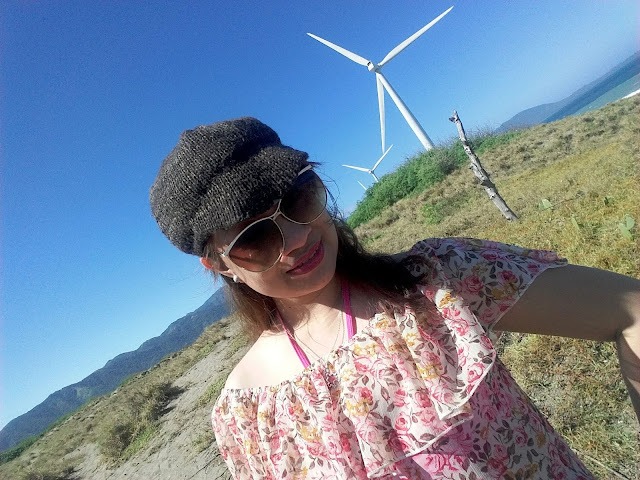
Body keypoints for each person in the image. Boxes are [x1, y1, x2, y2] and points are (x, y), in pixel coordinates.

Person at [150, 117, 639, 479]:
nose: (297, 238)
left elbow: (631, 309)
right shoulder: (245, 417)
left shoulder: (438, 280)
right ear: (219, 265)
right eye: (255, 238)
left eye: (299, 198)